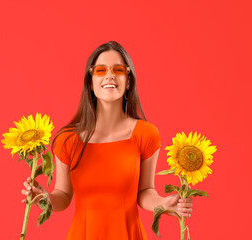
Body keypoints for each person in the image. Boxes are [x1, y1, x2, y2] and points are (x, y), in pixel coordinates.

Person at [21, 41, 193, 239]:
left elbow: (145, 191)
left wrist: (162, 203)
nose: (110, 75)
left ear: (128, 81)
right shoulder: (67, 139)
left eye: (118, 69)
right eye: (101, 70)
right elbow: (63, 196)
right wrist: (45, 198)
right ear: (90, 82)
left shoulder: (146, 134)